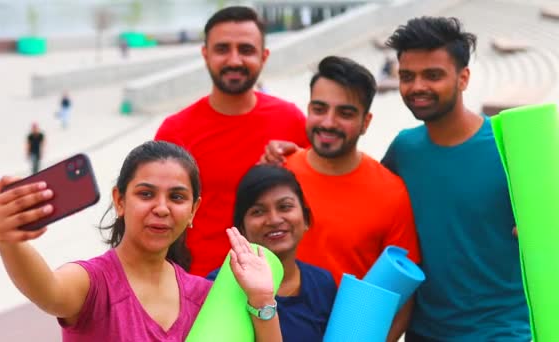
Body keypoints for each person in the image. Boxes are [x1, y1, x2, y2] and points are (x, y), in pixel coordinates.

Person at [0, 140, 282, 341]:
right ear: (120, 200)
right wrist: (9, 240)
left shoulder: (204, 296)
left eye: (177, 197)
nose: (162, 208)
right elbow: (49, 290)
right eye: (146, 194)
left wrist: (262, 300)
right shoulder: (94, 283)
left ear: (194, 210)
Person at [381, 17, 530, 341]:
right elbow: (358, 190)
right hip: (425, 333)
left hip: (502, 332)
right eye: (407, 76)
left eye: (432, 75)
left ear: (463, 78)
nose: (417, 86)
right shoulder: (403, 150)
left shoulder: (510, 148)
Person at [260, 56, 421, 341]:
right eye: (319, 109)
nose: (328, 122)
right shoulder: (276, 175)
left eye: (345, 113)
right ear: (308, 109)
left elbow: (401, 300)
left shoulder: (392, 193)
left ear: (366, 122)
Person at [154, 6, 309, 277]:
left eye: (246, 50)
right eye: (222, 49)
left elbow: (314, 203)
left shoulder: (292, 121)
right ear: (205, 55)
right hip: (200, 286)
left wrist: (300, 161)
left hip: (279, 283)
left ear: (264, 56)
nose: (234, 60)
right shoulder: (175, 131)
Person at [207, 164, 337, 341]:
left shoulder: (323, 283)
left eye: (285, 207)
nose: (274, 220)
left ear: (305, 218)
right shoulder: (218, 286)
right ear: (241, 229)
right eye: (258, 211)